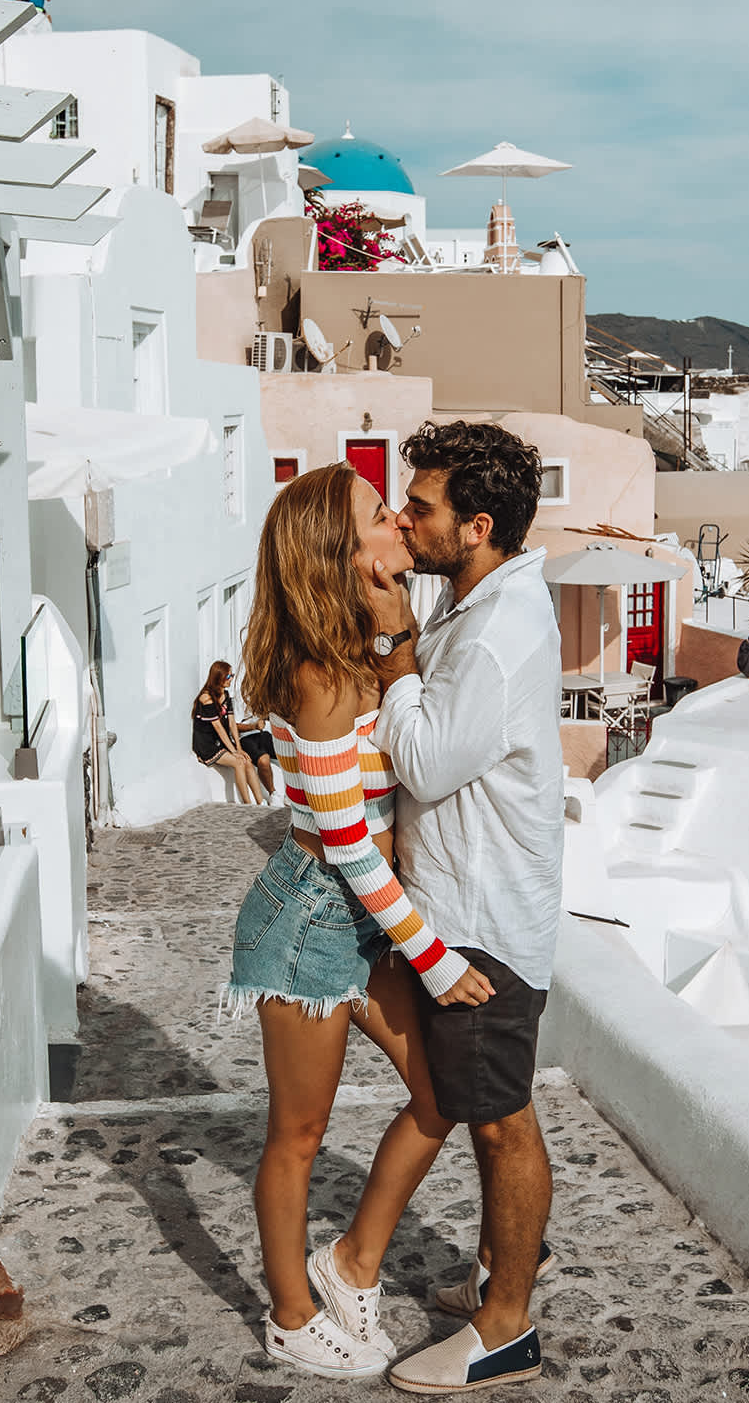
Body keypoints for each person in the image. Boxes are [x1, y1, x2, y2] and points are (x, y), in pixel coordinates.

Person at [225, 463, 495, 1380]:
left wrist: (400, 634)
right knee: (297, 1135)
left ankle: (348, 1264)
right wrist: (435, 959)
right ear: (343, 557)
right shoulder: (319, 678)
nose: (400, 527)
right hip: (307, 919)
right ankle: (293, 1315)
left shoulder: (358, 657)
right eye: (382, 519)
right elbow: (346, 842)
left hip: (362, 921)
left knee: (437, 1093)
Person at [365, 420, 564, 1395]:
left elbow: (429, 761)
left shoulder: (493, 632)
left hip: (481, 924)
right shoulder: (473, 601)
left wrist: (397, 649)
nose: (406, 517)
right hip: (465, 908)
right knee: (483, 1111)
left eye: (423, 506)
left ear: (477, 526)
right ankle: (500, 1273)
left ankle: (506, 1329)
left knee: (501, 1122)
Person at [192, 660, 266, 804]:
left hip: (222, 742)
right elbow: (218, 727)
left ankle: (260, 802)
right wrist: (233, 752)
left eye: (231, 675)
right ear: (218, 677)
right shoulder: (206, 698)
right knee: (238, 762)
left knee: (247, 762)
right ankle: (247, 804)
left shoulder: (225, 695)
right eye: (228, 676)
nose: (231, 679)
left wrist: (238, 748)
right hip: (207, 745)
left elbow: (232, 723)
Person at [234, 709, 281, 804]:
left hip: (265, 733)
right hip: (246, 737)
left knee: (290, 755)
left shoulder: (257, 696)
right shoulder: (235, 698)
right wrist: (253, 726)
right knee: (263, 760)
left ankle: (291, 795)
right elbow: (233, 725)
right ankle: (273, 794)